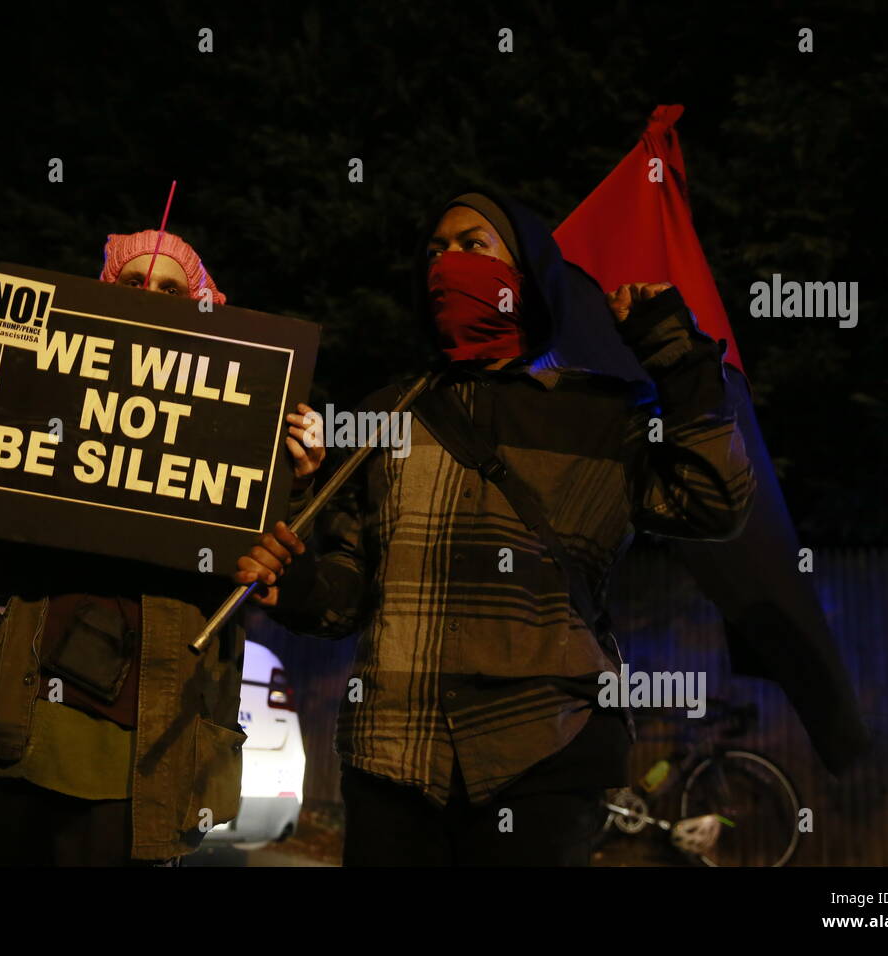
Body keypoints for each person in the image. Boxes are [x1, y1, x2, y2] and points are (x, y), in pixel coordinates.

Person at [235, 189, 757, 866]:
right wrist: (297, 582)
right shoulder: (385, 415)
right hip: (392, 762)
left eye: (471, 245)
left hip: (544, 754)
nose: (446, 263)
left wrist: (676, 354)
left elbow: (713, 500)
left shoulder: (604, 416)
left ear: (527, 275)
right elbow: (344, 593)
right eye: (434, 251)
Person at [0, 229, 323, 866]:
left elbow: (267, 582)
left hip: (143, 758)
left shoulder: (241, 437)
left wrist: (294, 489)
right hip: (19, 734)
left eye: (170, 289)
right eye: (134, 284)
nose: (150, 298)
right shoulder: (46, 407)